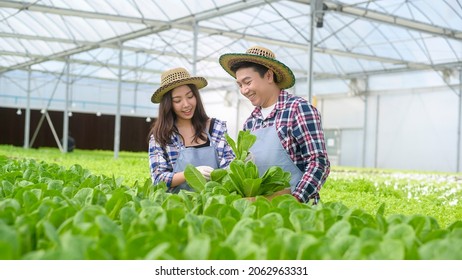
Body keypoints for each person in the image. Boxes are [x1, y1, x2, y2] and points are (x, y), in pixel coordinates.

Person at [219, 46, 330, 204]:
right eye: (239, 85)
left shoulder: (298, 110)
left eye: (247, 82)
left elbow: (318, 162)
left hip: (299, 210)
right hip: (261, 210)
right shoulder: (251, 122)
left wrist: (294, 200)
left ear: (269, 75)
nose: (243, 90)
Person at [148, 67, 235, 193]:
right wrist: (191, 173)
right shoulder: (161, 137)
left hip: (215, 202)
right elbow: (158, 179)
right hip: (178, 206)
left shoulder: (215, 128)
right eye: (177, 100)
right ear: (168, 104)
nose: (186, 104)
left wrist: (233, 166)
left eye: (190, 96)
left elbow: (229, 165)